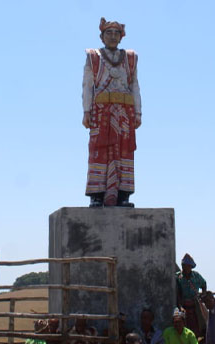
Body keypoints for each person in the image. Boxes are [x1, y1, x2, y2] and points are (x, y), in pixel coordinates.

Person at [82, 17, 141, 207]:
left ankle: (123, 195)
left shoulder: (130, 58)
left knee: (125, 152)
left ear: (121, 37)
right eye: (109, 33)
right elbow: (87, 86)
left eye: (116, 33)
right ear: (102, 36)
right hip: (101, 112)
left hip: (124, 112)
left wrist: (138, 112)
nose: (113, 36)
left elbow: (135, 85)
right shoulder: (93, 57)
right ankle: (97, 195)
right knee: (100, 151)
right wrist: (86, 111)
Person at [176, 253, 207, 338]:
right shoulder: (178, 277)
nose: (186, 268)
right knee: (184, 324)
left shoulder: (196, 276)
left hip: (195, 304)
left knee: (201, 322)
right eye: (184, 265)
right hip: (184, 304)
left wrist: (203, 294)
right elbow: (177, 293)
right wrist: (180, 306)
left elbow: (204, 284)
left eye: (188, 266)